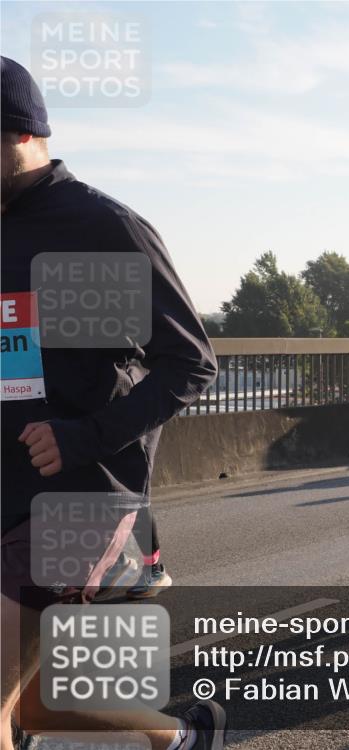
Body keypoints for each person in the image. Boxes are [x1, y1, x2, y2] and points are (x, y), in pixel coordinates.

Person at [1, 57, 224, 749]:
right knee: (37, 709)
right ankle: (184, 739)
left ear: (18, 133)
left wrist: (84, 435)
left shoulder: (99, 225)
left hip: (74, 498)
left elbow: (190, 361)